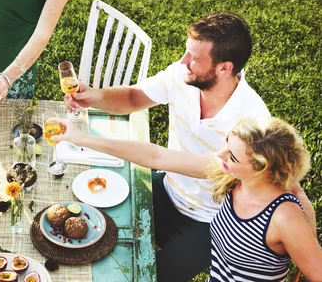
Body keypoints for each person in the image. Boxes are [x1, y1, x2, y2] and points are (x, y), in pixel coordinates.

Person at [65, 11, 315, 281]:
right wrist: (95, 96)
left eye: (195, 58)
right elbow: (134, 98)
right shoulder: (183, 75)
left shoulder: (250, 127)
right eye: (187, 52)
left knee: (143, 276)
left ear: (224, 67)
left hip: (210, 221)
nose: (184, 61)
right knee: (98, 226)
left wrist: (306, 241)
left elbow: (156, 156)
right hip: (167, 189)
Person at [53, 116, 322, 282]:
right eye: (226, 144)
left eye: (233, 156)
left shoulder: (284, 217)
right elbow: (157, 157)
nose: (220, 155)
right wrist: (82, 138)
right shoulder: (233, 177)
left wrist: (302, 204)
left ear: (263, 170)